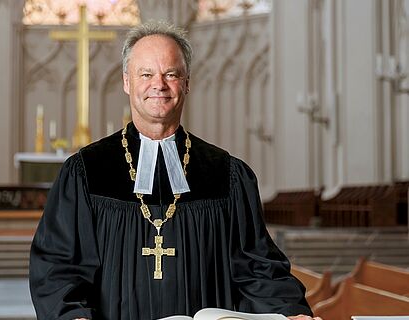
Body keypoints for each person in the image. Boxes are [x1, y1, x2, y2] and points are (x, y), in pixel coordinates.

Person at [29, 21, 316, 320]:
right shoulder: (85, 172)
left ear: (187, 81)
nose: (159, 85)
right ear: (127, 81)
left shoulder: (227, 174)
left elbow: (257, 266)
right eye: (146, 74)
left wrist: (289, 312)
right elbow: (57, 265)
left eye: (171, 74)